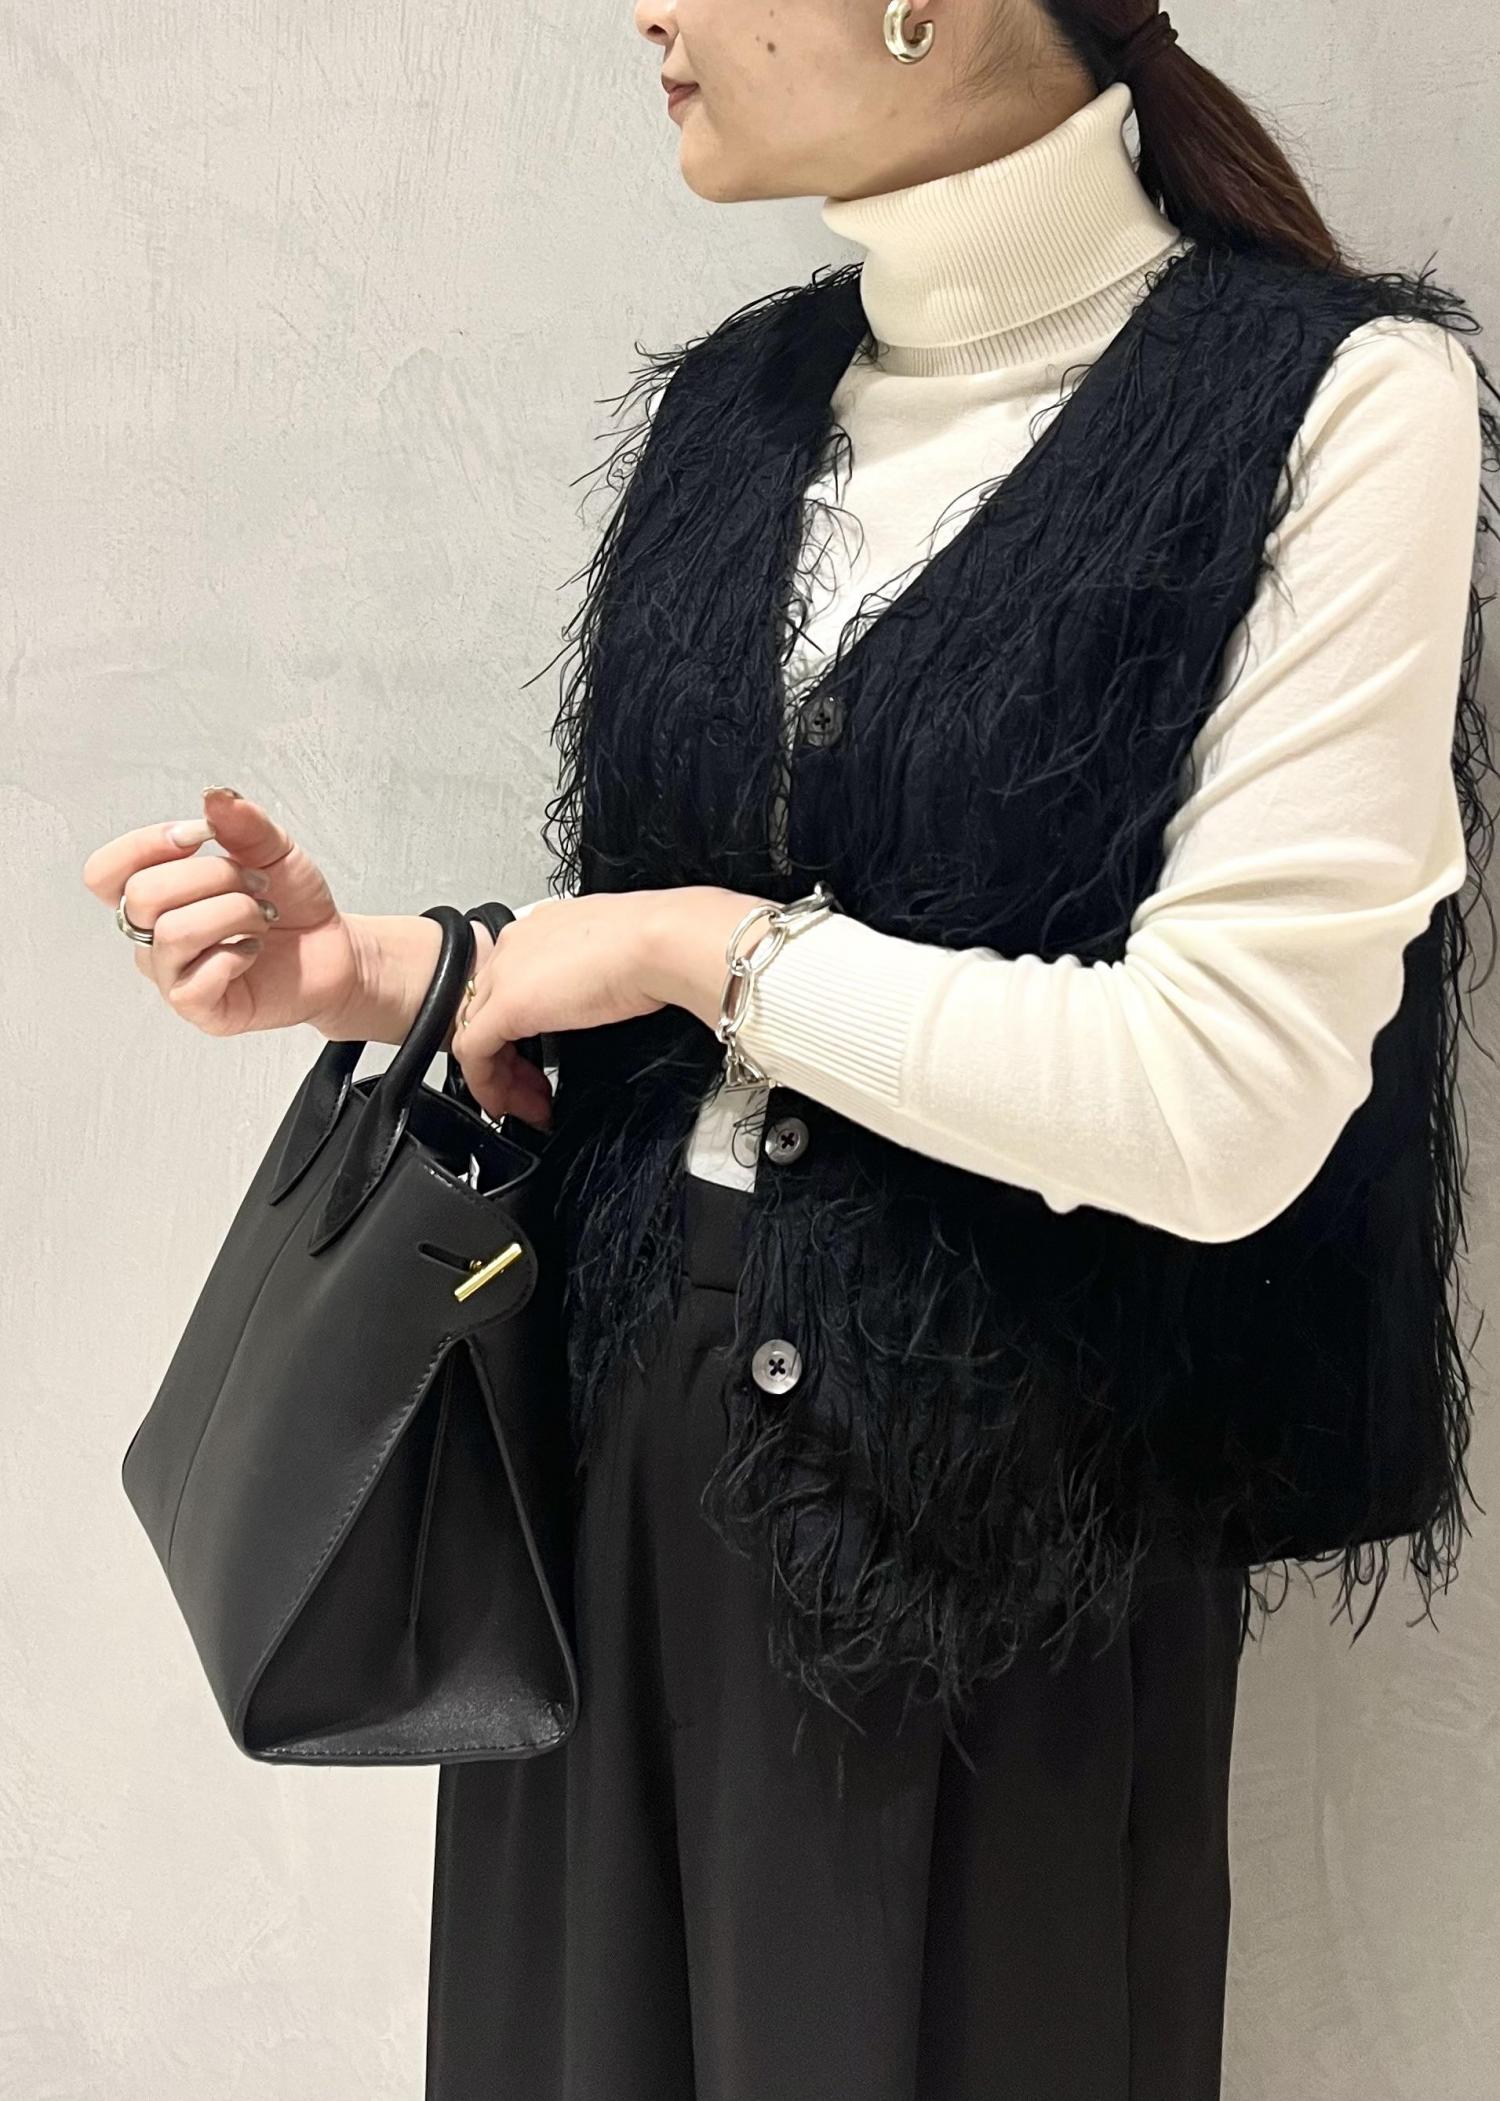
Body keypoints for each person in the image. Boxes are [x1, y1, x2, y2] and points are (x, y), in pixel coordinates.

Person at [83, 1, 1495, 2095]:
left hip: (1004, 1553)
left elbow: (1222, 1097)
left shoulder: (1340, 398)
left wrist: (690, 944)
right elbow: (700, 1022)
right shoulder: (736, 405)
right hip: (615, 1487)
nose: (647, 12)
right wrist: (380, 971)